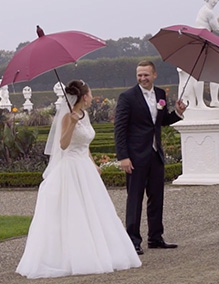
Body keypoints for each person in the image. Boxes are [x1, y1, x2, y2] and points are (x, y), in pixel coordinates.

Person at [16, 80, 141, 279]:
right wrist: (72, 123)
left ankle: (100, 249)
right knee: (74, 211)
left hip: (85, 168)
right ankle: (76, 255)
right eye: (90, 93)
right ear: (84, 96)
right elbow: (63, 145)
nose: (92, 97)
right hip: (70, 168)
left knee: (95, 210)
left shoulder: (86, 115)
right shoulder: (68, 116)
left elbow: (86, 144)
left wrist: (93, 164)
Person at [114, 60, 186, 255]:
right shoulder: (127, 97)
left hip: (155, 154)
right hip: (135, 157)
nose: (142, 78)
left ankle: (155, 238)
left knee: (156, 197)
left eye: (146, 75)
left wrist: (178, 113)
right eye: (139, 75)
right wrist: (123, 157)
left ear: (154, 75)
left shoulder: (161, 94)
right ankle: (133, 241)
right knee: (135, 199)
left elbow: (160, 122)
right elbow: (119, 129)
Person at [179, 0, 219, 108]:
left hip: (204, 42)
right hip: (202, 43)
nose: (214, 1)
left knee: (213, 72)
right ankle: (202, 102)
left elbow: (213, 25)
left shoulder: (206, 11)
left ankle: (212, 101)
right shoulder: (208, 12)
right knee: (202, 74)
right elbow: (218, 29)